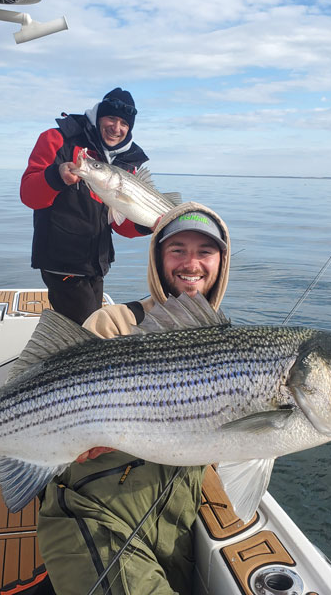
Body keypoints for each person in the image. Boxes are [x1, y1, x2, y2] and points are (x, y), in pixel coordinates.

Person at [36, 202, 230, 595]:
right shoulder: (114, 323)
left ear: (221, 262)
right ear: (158, 258)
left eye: (204, 251)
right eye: (177, 250)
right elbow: (52, 410)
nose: (191, 263)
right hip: (95, 520)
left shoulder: (230, 345)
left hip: (169, 537)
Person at [20, 87, 155, 325]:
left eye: (124, 123)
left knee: (85, 331)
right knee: (87, 333)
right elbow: (29, 194)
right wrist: (56, 176)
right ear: (98, 116)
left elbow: (120, 224)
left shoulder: (126, 162)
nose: (117, 127)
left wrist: (151, 224)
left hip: (95, 265)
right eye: (111, 118)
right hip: (62, 262)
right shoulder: (57, 139)